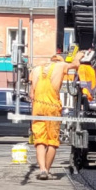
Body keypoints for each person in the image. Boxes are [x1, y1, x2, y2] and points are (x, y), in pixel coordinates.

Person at [29, 50, 84, 179]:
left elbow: (31, 94)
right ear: (60, 61)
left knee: (40, 141)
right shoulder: (61, 66)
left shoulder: (36, 70)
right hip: (52, 107)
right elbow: (76, 65)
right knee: (52, 141)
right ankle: (47, 171)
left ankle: (42, 170)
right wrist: (79, 56)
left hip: (37, 107)